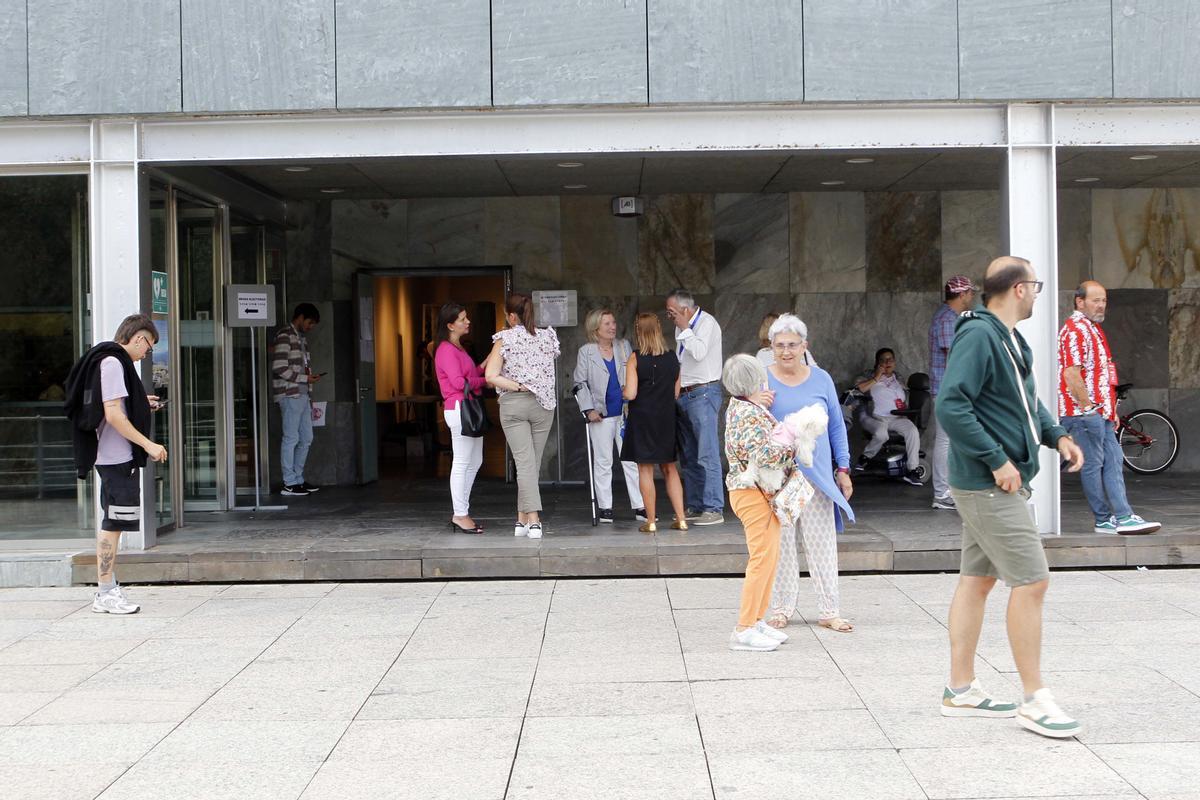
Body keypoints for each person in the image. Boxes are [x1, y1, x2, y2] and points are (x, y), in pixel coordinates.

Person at [936, 255, 1086, 738]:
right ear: (1020, 289)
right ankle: (1034, 698)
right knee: (1032, 582)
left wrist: (1055, 434)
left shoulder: (1009, 338)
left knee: (977, 581)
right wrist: (998, 460)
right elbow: (951, 404)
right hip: (988, 481)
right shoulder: (979, 335)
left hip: (989, 479)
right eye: (1036, 286)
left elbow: (1024, 402)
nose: (1038, 294)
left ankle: (961, 690)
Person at [63, 313, 168, 615]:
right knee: (113, 524)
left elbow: (115, 406)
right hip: (115, 457)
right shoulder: (112, 363)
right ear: (139, 338)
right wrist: (147, 444)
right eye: (149, 346)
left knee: (115, 522)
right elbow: (113, 415)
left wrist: (140, 402)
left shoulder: (112, 361)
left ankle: (108, 587)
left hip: (115, 457)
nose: (147, 353)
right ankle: (105, 592)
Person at [763, 314, 856, 633]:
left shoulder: (821, 379)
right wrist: (753, 402)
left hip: (816, 477)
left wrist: (842, 469)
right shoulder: (762, 380)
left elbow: (836, 426)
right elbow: (747, 424)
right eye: (779, 346)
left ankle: (830, 610)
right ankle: (780, 608)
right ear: (771, 347)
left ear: (805, 345)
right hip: (778, 479)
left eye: (792, 345)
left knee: (822, 545)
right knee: (782, 546)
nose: (786, 351)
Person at [722, 354, 818, 652]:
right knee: (762, 560)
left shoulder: (745, 407)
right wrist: (794, 444)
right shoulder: (748, 412)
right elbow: (764, 456)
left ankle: (756, 620)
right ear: (754, 380)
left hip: (755, 492)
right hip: (753, 493)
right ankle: (744, 628)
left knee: (769, 558)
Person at [1058, 281, 1160, 534]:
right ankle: (1107, 519)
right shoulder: (1075, 330)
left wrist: (1110, 410)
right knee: (1094, 464)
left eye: (1103, 300)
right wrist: (1089, 409)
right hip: (1083, 414)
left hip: (1099, 412)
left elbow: (1102, 375)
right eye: (1095, 300)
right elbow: (1072, 374)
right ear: (1079, 302)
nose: (1101, 304)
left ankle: (1120, 517)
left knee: (1113, 461)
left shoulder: (1091, 329)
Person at [486, 292, 559, 540]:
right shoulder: (548, 336)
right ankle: (521, 519)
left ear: (510, 315)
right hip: (544, 405)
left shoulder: (504, 338)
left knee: (525, 464)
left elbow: (490, 375)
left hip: (515, 404)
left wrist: (517, 385)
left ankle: (533, 520)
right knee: (532, 465)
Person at [572, 308, 647, 524]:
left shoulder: (623, 347)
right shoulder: (586, 351)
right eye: (607, 324)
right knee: (603, 461)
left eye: (613, 322)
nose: (612, 326)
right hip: (601, 414)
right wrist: (588, 409)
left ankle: (640, 505)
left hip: (625, 412)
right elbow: (579, 382)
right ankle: (605, 507)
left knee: (631, 460)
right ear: (596, 328)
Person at [621, 313, 687, 533]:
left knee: (645, 470)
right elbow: (676, 393)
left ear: (638, 331)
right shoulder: (672, 358)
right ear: (659, 329)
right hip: (666, 418)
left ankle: (650, 522)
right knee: (670, 467)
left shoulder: (635, 358)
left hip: (642, 419)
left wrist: (621, 391)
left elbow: (631, 393)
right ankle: (681, 518)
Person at [665, 288, 724, 525]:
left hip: (703, 392)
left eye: (672, 312)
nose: (670, 317)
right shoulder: (682, 326)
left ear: (685, 309)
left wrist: (686, 329)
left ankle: (713, 507)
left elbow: (698, 353)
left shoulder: (707, 323)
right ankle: (696, 505)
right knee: (689, 454)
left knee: (707, 452)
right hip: (684, 394)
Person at [434, 302, 488, 534]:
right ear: (450, 325)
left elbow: (471, 374)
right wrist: (489, 381)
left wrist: (488, 364)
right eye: (462, 319)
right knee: (462, 462)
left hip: (467, 408)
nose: (468, 322)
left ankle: (462, 511)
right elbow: (459, 383)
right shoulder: (446, 349)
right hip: (459, 409)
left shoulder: (458, 347)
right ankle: (460, 513)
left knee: (474, 461)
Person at [930, 276, 978, 510]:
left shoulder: (950, 317)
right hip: (947, 390)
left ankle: (949, 489)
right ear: (961, 295)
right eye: (970, 293)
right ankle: (942, 493)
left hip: (947, 389)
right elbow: (953, 357)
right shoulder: (947, 319)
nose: (972, 297)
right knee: (946, 441)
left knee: (949, 441)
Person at [272, 303, 322, 497]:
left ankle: (298, 479)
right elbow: (278, 366)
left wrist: (308, 385)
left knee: (306, 438)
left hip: (302, 394)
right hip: (290, 394)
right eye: (310, 323)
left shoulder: (300, 338)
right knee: (291, 438)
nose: (310, 327)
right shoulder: (285, 335)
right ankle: (289, 483)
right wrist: (304, 379)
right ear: (300, 317)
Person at [854, 348, 923, 486]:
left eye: (890, 359)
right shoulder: (868, 375)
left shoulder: (898, 378)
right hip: (873, 416)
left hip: (896, 417)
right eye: (883, 360)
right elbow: (858, 389)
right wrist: (876, 377)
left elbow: (905, 396)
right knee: (881, 434)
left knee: (912, 431)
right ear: (877, 362)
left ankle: (912, 470)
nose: (887, 362)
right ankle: (865, 458)